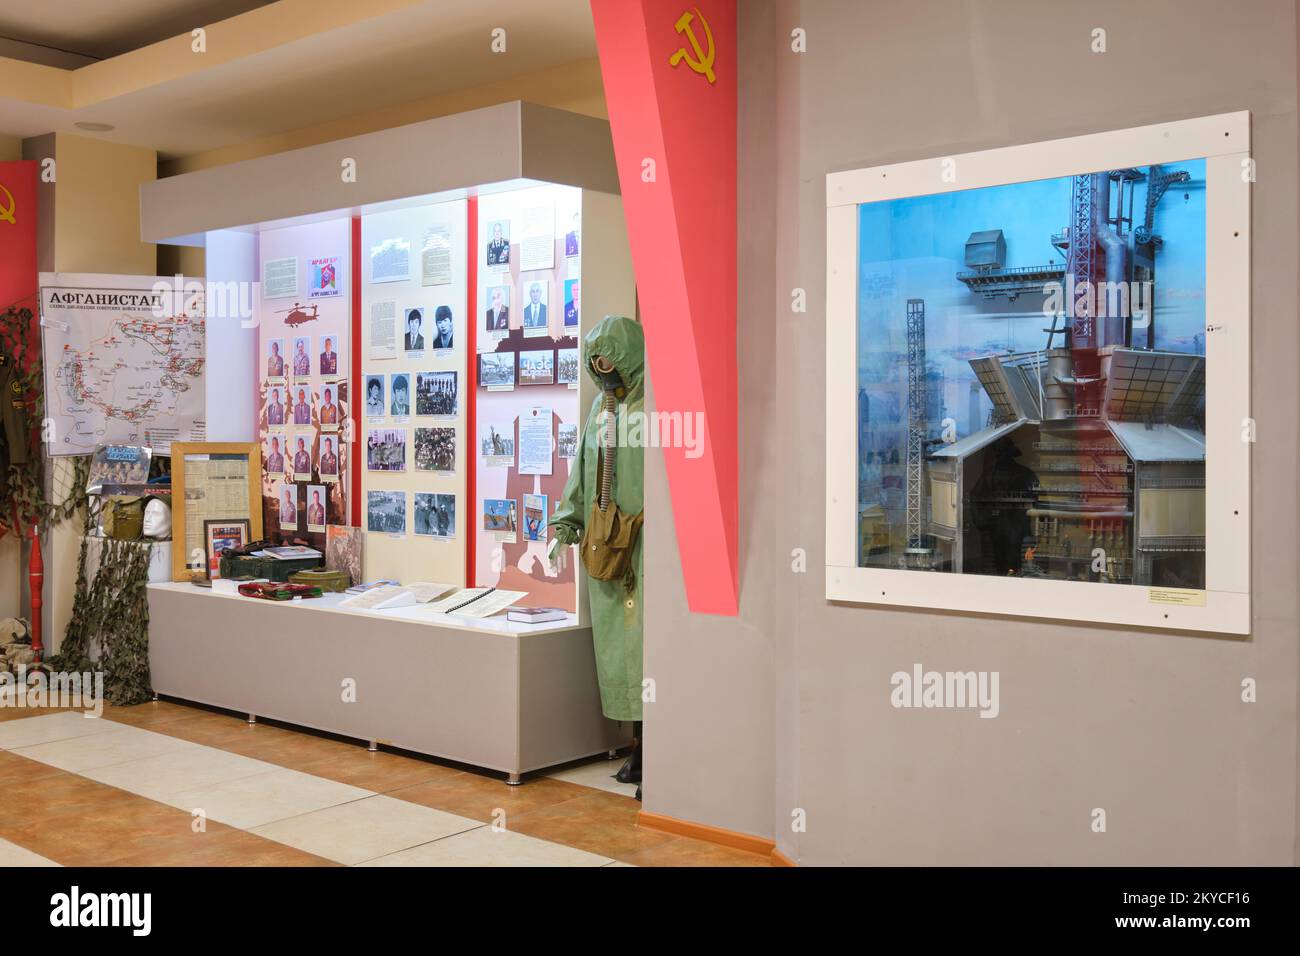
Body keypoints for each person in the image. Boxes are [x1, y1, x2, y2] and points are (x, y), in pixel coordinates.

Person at [550, 316, 646, 799]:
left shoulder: (656, 409)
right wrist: (567, 521)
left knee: (649, 648)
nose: (603, 368)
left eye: (609, 357)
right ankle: (637, 744)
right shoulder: (600, 411)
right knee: (616, 652)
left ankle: (659, 749)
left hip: (647, 550)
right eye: (595, 362)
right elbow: (583, 468)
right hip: (605, 545)